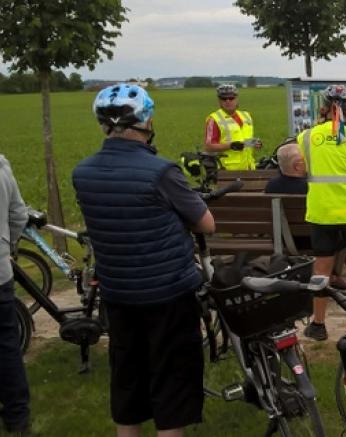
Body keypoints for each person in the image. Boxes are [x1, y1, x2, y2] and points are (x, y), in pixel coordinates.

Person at [74, 84, 215, 436]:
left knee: (127, 376)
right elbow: (206, 224)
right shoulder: (161, 171)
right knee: (172, 380)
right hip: (167, 293)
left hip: (118, 292)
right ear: (146, 120)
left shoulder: (83, 173)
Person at [297, 84, 346, 341]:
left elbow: (303, 167)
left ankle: (318, 324)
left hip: (322, 212)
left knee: (321, 270)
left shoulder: (306, 137)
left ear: (322, 107)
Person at [265, 140, 346, 290]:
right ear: (298, 166)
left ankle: (333, 275)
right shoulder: (313, 187)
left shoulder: (271, 186)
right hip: (315, 239)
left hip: (284, 239)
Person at [0, 153, 29, 436]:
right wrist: (6, 248)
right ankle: (18, 417)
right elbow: (18, 215)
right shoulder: (2, 166)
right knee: (7, 347)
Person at [204, 84, 261, 170]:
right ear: (219, 101)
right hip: (227, 170)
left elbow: (245, 140)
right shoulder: (214, 119)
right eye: (224, 99)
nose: (228, 101)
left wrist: (255, 143)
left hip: (249, 167)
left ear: (237, 99)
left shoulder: (246, 116)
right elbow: (209, 147)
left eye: (231, 98)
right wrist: (230, 146)